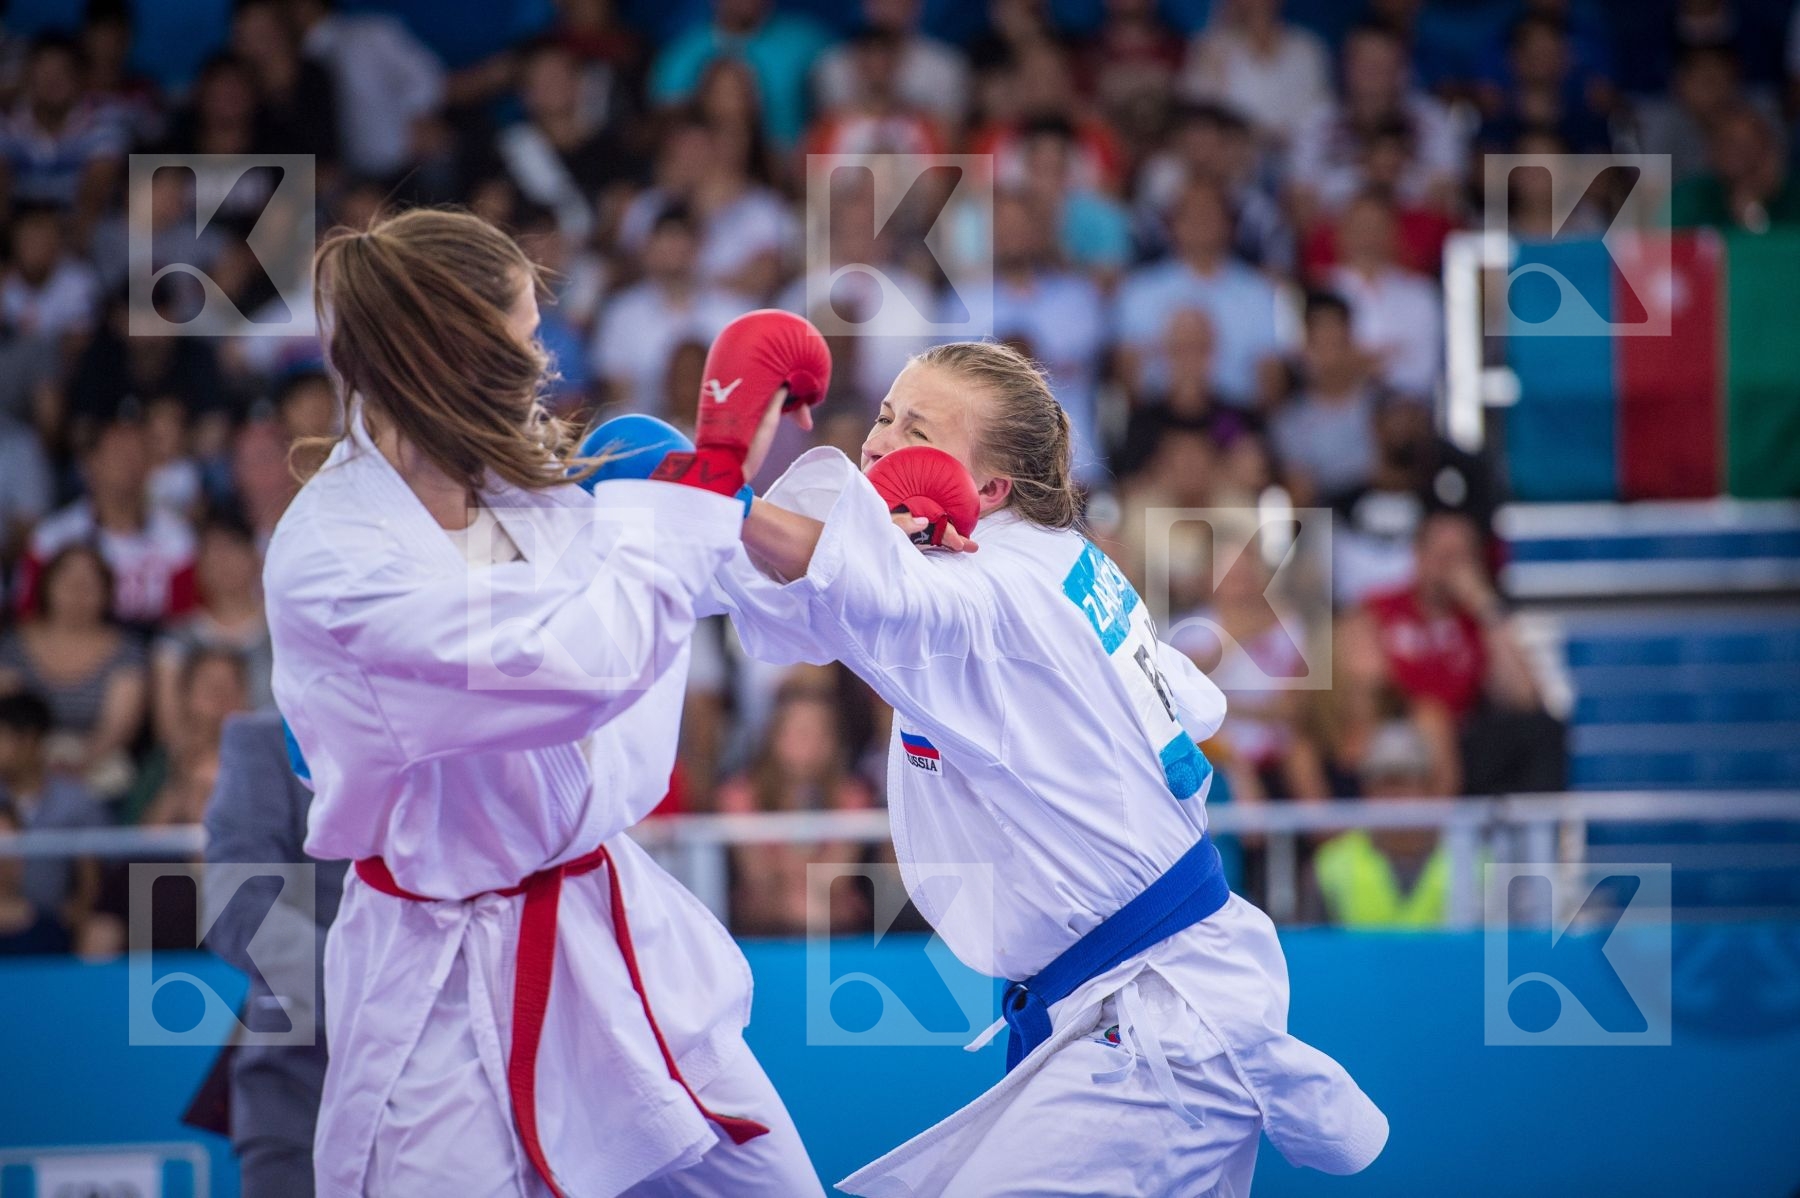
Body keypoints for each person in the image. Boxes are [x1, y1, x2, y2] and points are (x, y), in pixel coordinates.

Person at [703, 336, 1387, 1194]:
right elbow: (811, 610)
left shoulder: (1000, 586)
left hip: (1157, 1023)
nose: (878, 442)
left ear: (990, 489)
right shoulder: (1042, 560)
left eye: (917, 430)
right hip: (1137, 1001)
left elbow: (872, 587)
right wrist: (705, 507)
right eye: (884, 414)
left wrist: (720, 497)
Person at [263, 209, 826, 1197]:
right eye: (524, 340)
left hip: (601, 925)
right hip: (438, 988)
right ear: (451, 359)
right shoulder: (340, 564)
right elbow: (581, 666)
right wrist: (707, 476)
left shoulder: (515, 474)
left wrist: (848, 535)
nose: (543, 363)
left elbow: (713, 587)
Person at [203, 710, 350, 1198]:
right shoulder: (266, 740)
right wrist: (367, 987)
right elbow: (237, 905)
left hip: (454, 1079)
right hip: (302, 1086)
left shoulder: (456, 728)